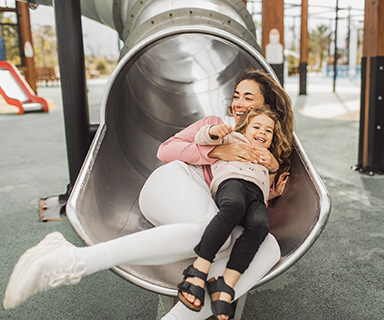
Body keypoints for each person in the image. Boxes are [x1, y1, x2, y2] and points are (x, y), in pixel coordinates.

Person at [3, 69, 294, 320]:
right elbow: (165, 150)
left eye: (249, 98)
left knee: (267, 246)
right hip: (174, 181)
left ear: (265, 107)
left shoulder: (265, 145)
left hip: (209, 204)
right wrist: (218, 150)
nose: (239, 103)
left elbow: (249, 194)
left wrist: (269, 190)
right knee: (214, 234)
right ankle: (75, 260)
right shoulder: (216, 125)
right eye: (237, 95)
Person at [177, 108, 290, 319]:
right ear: (245, 128)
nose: (262, 133)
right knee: (234, 207)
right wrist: (214, 131)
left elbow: (265, 185)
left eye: (268, 131)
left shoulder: (268, 157)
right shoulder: (233, 139)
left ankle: (226, 283)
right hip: (231, 183)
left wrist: (274, 173)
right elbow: (202, 138)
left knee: (260, 226)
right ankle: (198, 271)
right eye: (256, 127)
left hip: (256, 195)